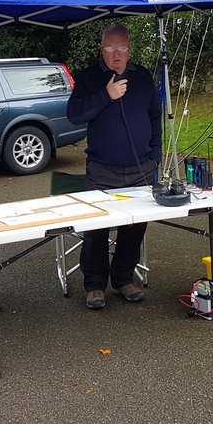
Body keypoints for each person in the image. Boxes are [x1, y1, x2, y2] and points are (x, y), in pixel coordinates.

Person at [66, 24, 162, 310]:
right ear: (102, 49)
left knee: (134, 228)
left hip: (140, 168)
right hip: (102, 169)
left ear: (129, 50)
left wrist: (155, 155)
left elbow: (155, 119)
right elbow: (74, 115)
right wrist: (106, 95)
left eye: (122, 48)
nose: (116, 54)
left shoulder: (143, 78)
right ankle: (95, 285)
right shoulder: (89, 78)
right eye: (111, 48)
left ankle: (123, 279)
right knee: (96, 229)